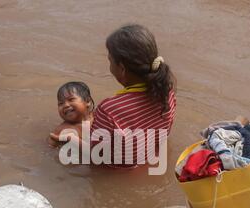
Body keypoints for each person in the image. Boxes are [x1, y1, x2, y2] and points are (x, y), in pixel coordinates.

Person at [58, 24, 177, 167]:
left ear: (121, 69)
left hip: (116, 171)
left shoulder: (109, 110)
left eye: (110, 61)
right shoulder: (166, 92)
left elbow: (96, 156)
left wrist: (71, 139)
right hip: (152, 161)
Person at [48, 82, 94, 148]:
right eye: (61, 103)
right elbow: (50, 148)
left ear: (87, 101)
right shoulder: (62, 131)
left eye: (71, 99)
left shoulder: (97, 116)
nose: (66, 105)